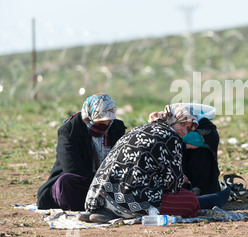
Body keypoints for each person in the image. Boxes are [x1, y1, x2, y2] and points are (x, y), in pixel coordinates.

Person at [83, 104, 230, 223]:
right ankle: (120, 211)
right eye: (182, 124)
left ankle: (104, 211)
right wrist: (179, 178)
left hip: (96, 198)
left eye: (189, 127)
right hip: (128, 202)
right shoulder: (170, 138)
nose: (184, 131)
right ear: (172, 119)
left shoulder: (139, 129)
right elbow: (171, 187)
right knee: (191, 201)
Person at [36, 93, 126, 211]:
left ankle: (103, 204)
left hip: (107, 183)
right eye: (102, 122)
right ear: (90, 115)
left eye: (109, 121)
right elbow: (73, 168)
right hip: (84, 181)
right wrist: (101, 182)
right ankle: (101, 206)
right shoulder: (69, 131)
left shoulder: (115, 128)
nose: (106, 125)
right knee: (66, 182)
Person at [181, 106, 221, 196]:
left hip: (205, 181)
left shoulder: (206, 126)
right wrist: (185, 146)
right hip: (182, 177)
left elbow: (209, 139)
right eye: (181, 125)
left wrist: (182, 144)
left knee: (202, 151)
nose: (183, 129)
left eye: (186, 126)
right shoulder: (170, 127)